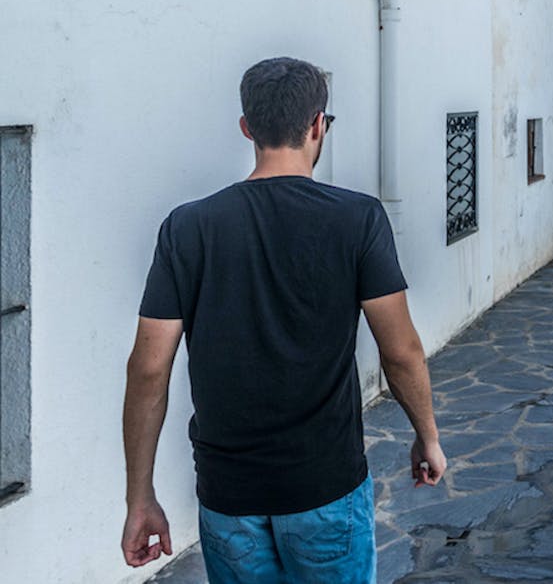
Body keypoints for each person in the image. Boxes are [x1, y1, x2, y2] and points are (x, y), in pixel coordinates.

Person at [120, 57, 446, 583]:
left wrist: (140, 497)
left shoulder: (187, 228)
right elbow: (401, 350)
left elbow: (148, 370)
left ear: (247, 127)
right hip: (325, 485)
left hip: (229, 494)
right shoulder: (358, 219)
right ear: (318, 125)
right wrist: (427, 435)